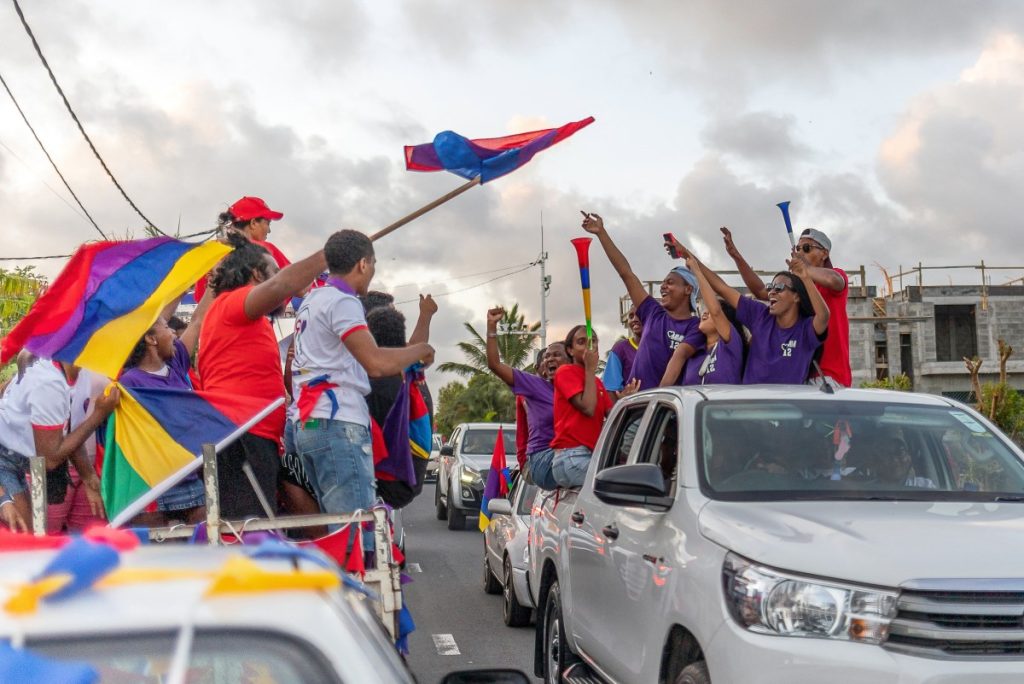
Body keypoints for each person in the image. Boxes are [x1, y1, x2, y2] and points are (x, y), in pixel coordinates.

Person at [292, 230, 434, 517]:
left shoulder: (312, 299)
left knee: (338, 526)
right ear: (363, 264)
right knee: (356, 532)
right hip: (337, 421)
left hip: (309, 421)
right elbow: (376, 363)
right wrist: (421, 350)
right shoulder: (343, 302)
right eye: (374, 263)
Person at [198, 233, 327, 518]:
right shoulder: (233, 303)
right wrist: (330, 254)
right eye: (273, 271)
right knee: (245, 533)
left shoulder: (243, 315)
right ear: (257, 273)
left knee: (255, 528)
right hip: (241, 435)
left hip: (252, 436)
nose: (278, 279)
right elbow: (283, 285)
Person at [119, 289, 214, 524]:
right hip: (154, 485)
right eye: (165, 327)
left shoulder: (177, 362)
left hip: (189, 477)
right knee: (165, 552)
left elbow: (198, 320)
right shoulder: (129, 382)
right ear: (150, 339)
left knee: (202, 542)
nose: (173, 332)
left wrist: (212, 281)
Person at [581, 212, 705, 390]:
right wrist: (602, 233)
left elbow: (681, 357)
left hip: (668, 408)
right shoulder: (653, 312)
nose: (663, 287)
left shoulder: (695, 326)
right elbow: (627, 274)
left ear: (688, 289)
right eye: (662, 283)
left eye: (670, 283)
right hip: (638, 406)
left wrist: (658, 400)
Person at [0, 354, 119, 532]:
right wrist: (98, 415)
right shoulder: (48, 382)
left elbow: (71, 433)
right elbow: (51, 458)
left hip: (26, 461)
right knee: (26, 536)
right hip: (6, 459)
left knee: (33, 536)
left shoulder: (81, 375)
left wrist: (89, 479)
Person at [721, 225, 850, 387]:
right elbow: (762, 291)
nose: (801, 253)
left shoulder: (835, 275)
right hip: (804, 374)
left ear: (824, 253)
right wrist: (736, 257)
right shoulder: (798, 285)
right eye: (798, 249)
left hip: (830, 375)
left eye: (807, 248)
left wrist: (805, 270)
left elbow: (834, 280)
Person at [695, 242, 830, 384]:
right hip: (753, 403)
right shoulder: (760, 315)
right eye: (770, 287)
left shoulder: (805, 329)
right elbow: (723, 289)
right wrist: (693, 261)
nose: (772, 292)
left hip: (787, 405)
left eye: (779, 287)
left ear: (796, 296)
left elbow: (823, 316)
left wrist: (806, 278)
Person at [485, 307, 571, 490]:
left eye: (556, 355)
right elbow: (494, 364)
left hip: (570, 457)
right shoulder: (535, 385)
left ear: (572, 361)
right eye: (547, 356)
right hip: (542, 460)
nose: (549, 359)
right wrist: (491, 326)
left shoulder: (583, 388)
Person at [364, 295, 438, 508]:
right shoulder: (399, 370)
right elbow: (416, 346)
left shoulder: (380, 375)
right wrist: (425, 316)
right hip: (407, 477)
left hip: (392, 478)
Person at [661, 246, 744, 386]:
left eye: (709, 312)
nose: (705, 313)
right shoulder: (695, 354)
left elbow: (716, 311)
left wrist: (697, 272)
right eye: (705, 311)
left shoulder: (730, 345)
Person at [550, 326, 619, 488]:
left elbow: (613, 416)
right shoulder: (565, 372)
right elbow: (588, 408)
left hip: (590, 456)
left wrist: (625, 399)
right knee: (623, 486)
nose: (590, 347)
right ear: (570, 350)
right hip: (571, 456)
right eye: (582, 342)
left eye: (593, 342)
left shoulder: (596, 382)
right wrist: (590, 369)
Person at [194, 196, 293, 302]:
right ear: (253, 223)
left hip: (211, 317)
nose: (269, 230)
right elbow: (301, 287)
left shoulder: (208, 249)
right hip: (250, 316)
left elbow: (198, 297)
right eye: (267, 223)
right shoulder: (263, 250)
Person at [603, 305, 642, 398]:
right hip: (634, 409)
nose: (634, 319)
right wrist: (623, 400)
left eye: (639, 315)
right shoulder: (620, 349)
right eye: (631, 316)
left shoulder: (663, 345)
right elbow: (610, 390)